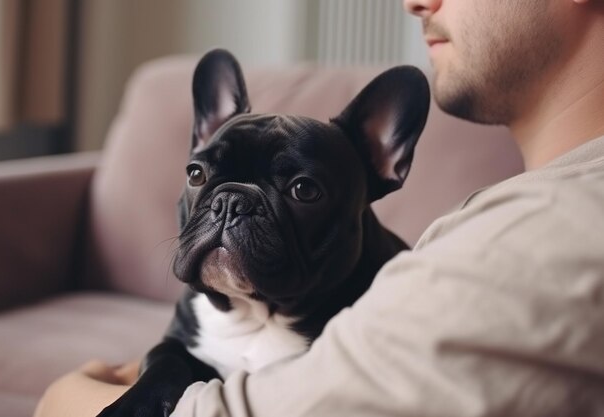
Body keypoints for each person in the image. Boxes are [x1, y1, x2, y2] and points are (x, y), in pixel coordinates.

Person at [34, 0, 604, 416]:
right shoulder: (519, 211)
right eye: (203, 174)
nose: (414, 3)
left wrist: (65, 398)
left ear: (386, 159)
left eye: (302, 190)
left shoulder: (550, 231)